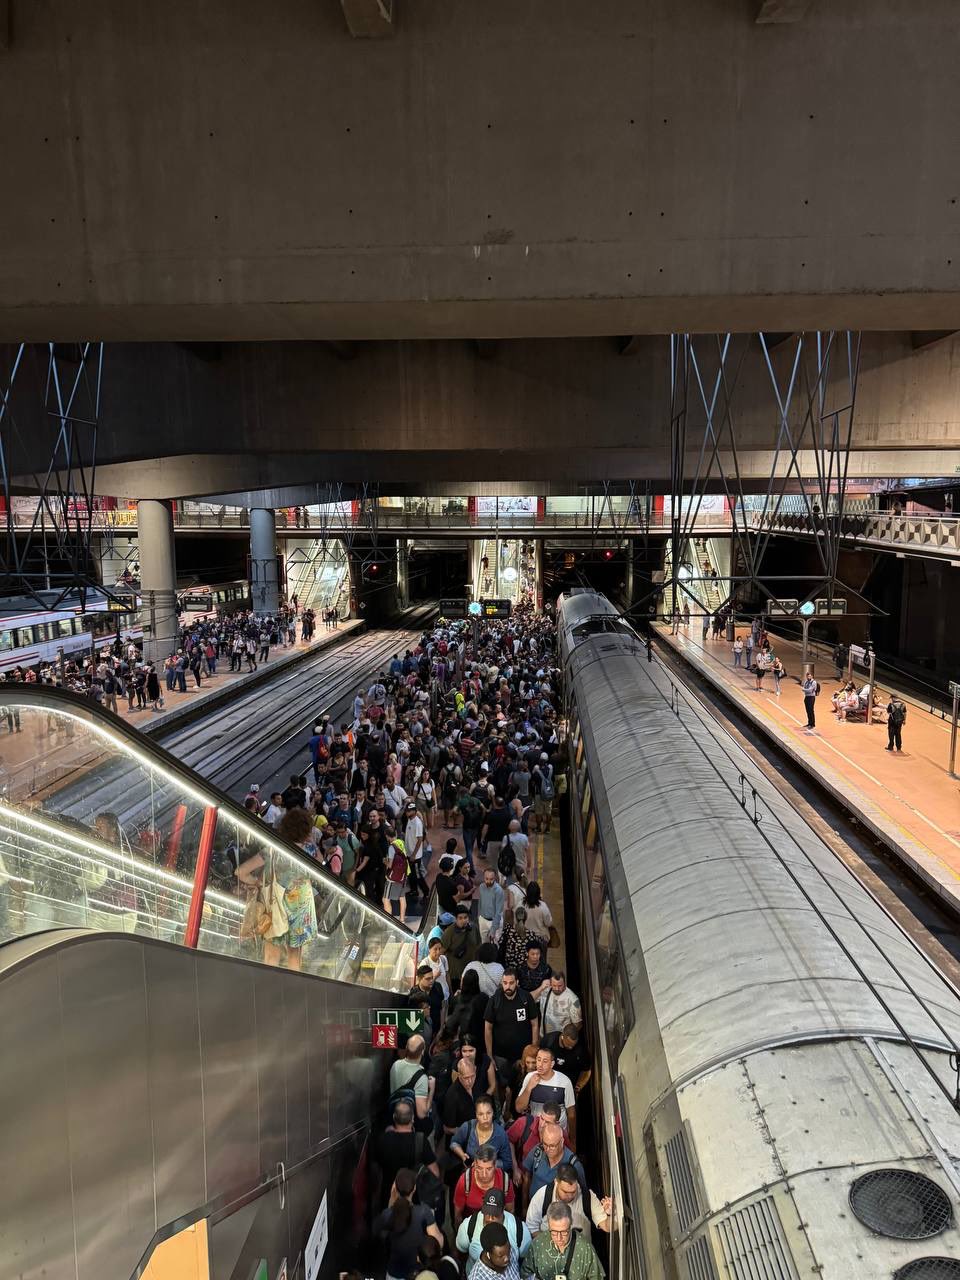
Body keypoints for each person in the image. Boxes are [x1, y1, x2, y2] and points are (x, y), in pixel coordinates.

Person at [373, 1168, 444, 1280]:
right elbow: (438, 1241)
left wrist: (392, 1198)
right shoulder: (423, 1212)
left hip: (394, 1274)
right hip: (417, 1274)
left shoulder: (387, 1214)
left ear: (395, 1188)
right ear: (414, 1188)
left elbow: (379, 1233)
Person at [525, 1166, 613, 1244]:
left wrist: (613, 1214)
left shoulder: (588, 1197)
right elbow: (532, 1228)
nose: (570, 1196)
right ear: (556, 1182)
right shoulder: (542, 1196)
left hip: (580, 1255)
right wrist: (550, 1245)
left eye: (573, 1192)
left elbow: (606, 1226)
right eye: (565, 1192)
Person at [521, 1199, 605, 1280]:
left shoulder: (585, 1248)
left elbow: (597, 1277)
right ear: (549, 1226)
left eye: (564, 1232)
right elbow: (525, 1274)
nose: (559, 1238)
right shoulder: (537, 1244)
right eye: (554, 1232)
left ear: (571, 1224)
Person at [377, 1102, 439, 1207]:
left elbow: (376, 1169)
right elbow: (435, 1172)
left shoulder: (383, 1139)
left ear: (394, 1117)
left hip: (388, 1197)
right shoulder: (420, 1140)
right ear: (412, 1118)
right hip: (413, 1198)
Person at [485, 969, 540, 1085]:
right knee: (503, 1084)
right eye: (505, 983)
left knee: (523, 1083)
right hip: (501, 1056)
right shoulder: (495, 1000)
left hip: (522, 1055)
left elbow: (535, 1024)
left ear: (517, 982)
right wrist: (490, 1055)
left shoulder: (526, 998)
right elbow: (488, 1028)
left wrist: (534, 1049)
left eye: (511, 983)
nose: (508, 986)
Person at [456, 1190, 531, 1271]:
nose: (490, 1219)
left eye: (495, 1214)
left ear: (503, 1209)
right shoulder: (469, 1226)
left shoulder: (519, 1229)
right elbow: (461, 1250)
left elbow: (525, 1259)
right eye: (487, 1213)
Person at [514, 1046, 577, 1143]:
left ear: (552, 1064)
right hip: (536, 1133)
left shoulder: (564, 1081)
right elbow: (519, 1108)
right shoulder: (530, 1077)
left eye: (545, 1061)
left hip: (558, 1135)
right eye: (538, 1060)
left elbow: (571, 1114)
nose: (540, 1064)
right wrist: (529, 1087)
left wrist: (573, 1140)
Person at [453, 1144, 515, 1229]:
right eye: (479, 1168)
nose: (484, 1174)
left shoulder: (505, 1181)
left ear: (495, 1166)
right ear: (474, 1164)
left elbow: (510, 1211)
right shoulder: (465, 1181)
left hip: (496, 1227)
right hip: (471, 1228)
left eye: (489, 1169)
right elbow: (458, 1216)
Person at [449, 1093, 514, 1173]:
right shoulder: (467, 1127)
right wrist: (462, 1155)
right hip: (469, 1172)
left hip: (490, 1176)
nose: (485, 1118)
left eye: (488, 1113)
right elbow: (454, 1143)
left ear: (493, 1113)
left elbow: (507, 1163)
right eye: (481, 1114)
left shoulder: (501, 1134)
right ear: (476, 1115)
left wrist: (487, 1165)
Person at [522, 1124, 587, 1202]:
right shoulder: (538, 1150)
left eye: (552, 1146)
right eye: (545, 1144)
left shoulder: (574, 1165)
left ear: (562, 1141)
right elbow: (526, 1176)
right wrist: (524, 1207)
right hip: (534, 1207)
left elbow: (583, 1193)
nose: (548, 1149)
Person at [389, 1033, 435, 1129]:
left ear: (406, 1048)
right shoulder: (422, 1078)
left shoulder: (395, 1065)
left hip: (395, 1119)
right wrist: (432, 1090)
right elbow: (421, 1114)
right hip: (411, 1126)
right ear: (422, 1052)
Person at [540, 1025, 591, 1097]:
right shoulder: (549, 1041)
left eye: (573, 1045)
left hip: (569, 1087)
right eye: (568, 1045)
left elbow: (586, 1071)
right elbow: (539, 1059)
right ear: (562, 1037)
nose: (571, 1047)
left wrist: (579, 1086)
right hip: (549, 1083)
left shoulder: (580, 1050)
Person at [441, 902, 481, 990]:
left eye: (465, 917)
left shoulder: (474, 928)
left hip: (471, 972)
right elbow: (441, 951)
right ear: (455, 919)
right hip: (456, 974)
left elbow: (478, 945)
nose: (464, 920)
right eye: (460, 918)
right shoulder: (449, 932)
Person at [478, 867, 506, 943]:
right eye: (486, 879)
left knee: (495, 945)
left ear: (495, 878)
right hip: (483, 919)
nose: (489, 881)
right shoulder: (481, 887)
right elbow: (480, 902)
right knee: (484, 942)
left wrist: (493, 929)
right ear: (484, 877)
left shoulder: (498, 891)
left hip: (494, 921)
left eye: (491, 879)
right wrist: (479, 917)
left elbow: (498, 912)